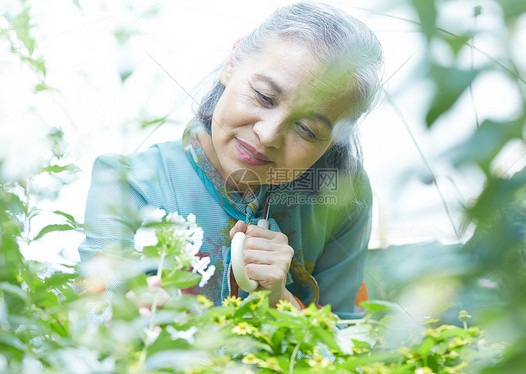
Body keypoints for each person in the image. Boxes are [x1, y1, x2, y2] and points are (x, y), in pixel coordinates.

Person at [79, 1, 383, 320]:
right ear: (232, 63)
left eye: (307, 129)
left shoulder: (340, 198)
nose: (268, 135)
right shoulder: (127, 182)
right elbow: (90, 316)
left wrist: (282, 303)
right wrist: (132, 317)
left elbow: (350, 342)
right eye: (265, 97)